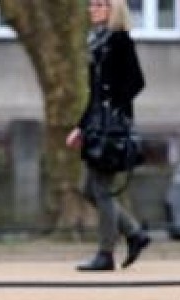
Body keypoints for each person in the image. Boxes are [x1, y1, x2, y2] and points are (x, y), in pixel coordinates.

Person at [66, 0, 151, 272]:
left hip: (111, 131)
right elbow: (94, 94)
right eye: (92, 5)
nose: (91, 9)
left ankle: (106, 253)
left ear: (112, 10)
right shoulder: (97, 42)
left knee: (100, 189)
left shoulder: (120, 41)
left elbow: (136, 82)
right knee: (89, 188)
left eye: (99, 5)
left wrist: (113, 107)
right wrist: (81, 126)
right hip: (96, 128)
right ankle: (134, 233)